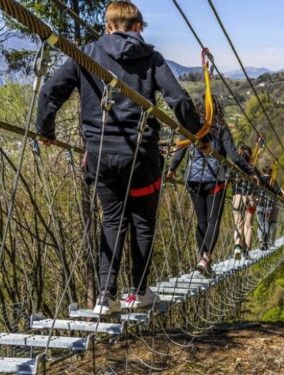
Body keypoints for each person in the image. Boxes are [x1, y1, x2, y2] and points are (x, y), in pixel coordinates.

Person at [36, 1, 202, 315]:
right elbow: (178, 100)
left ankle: (104, 296)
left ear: (108, 27)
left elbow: (50, 92)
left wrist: (45, 130)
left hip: (100, 158)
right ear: (138, 27)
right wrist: (196, 134)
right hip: (141, 159)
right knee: (142, 222)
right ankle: (139, 292)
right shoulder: (152, 59)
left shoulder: (86, 54)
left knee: (112, 219)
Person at [167, 97, 260, 277]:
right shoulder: (220, 127)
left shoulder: (191, 125)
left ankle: (203, 259)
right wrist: (250, 171)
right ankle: (205, 259)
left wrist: (171, 169)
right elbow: (233, 155)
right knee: (213, 221)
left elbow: (180, 149)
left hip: (192, 181)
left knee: (201, 222)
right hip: (215, 181)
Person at [231, 145, 257, 260]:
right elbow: (258, 184)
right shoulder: (253, 169)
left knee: (238, 224)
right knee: (249, 225)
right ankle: (246, 251)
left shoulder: (234, 167)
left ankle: (237, 247)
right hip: (250, 199)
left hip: (237, 197)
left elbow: (228, 179)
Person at [256, 164, 284, 251]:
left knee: (261, 224)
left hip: (259, 205)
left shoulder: (259, 179)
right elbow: (279, 193)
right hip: (269, 207)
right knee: (267, 224)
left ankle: (261, 241)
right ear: (271, 173)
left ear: (263, 171)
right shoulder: (272, 181)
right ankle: (265, 243)